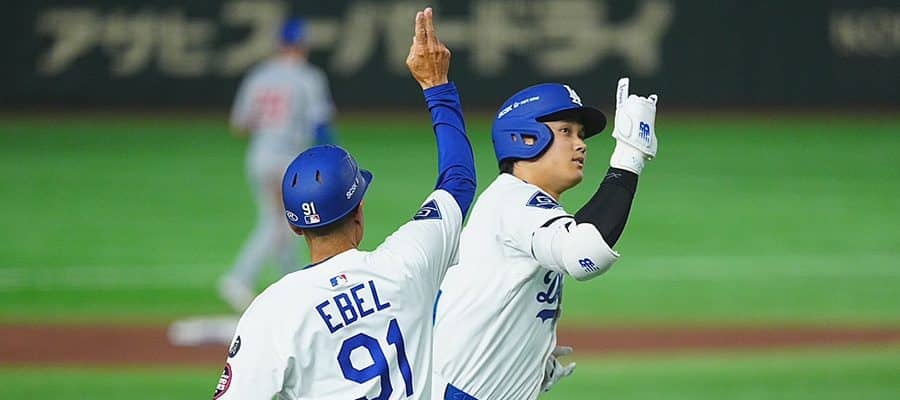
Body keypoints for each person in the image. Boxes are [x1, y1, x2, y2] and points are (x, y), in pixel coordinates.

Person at [212, 8, 476, 399]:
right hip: (289, 155)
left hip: (261, 158)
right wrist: (436, 85)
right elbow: (458, 181)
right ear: (359, 210)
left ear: (296, 225)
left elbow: (240, 124)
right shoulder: (406, 265)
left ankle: (241, 275)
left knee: (266, 223)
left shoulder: (272, 311)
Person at [431, 78, 659, 399]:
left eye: (581, 135)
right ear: (525, 137)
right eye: (566, 131)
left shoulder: (516, 203)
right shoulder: (515, 201)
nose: (581, 145)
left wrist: (523, 359)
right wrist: (630, 155)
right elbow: (585, 253)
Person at [219, 18, 338, 312]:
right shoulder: (308, 77)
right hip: (287, 161)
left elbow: (239, 125)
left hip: (259, 158)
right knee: (279, 223)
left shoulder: (259, 76)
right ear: (302, 46)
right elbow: (321, 124)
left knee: (285, 225)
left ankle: (292, 284)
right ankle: (238, 278)